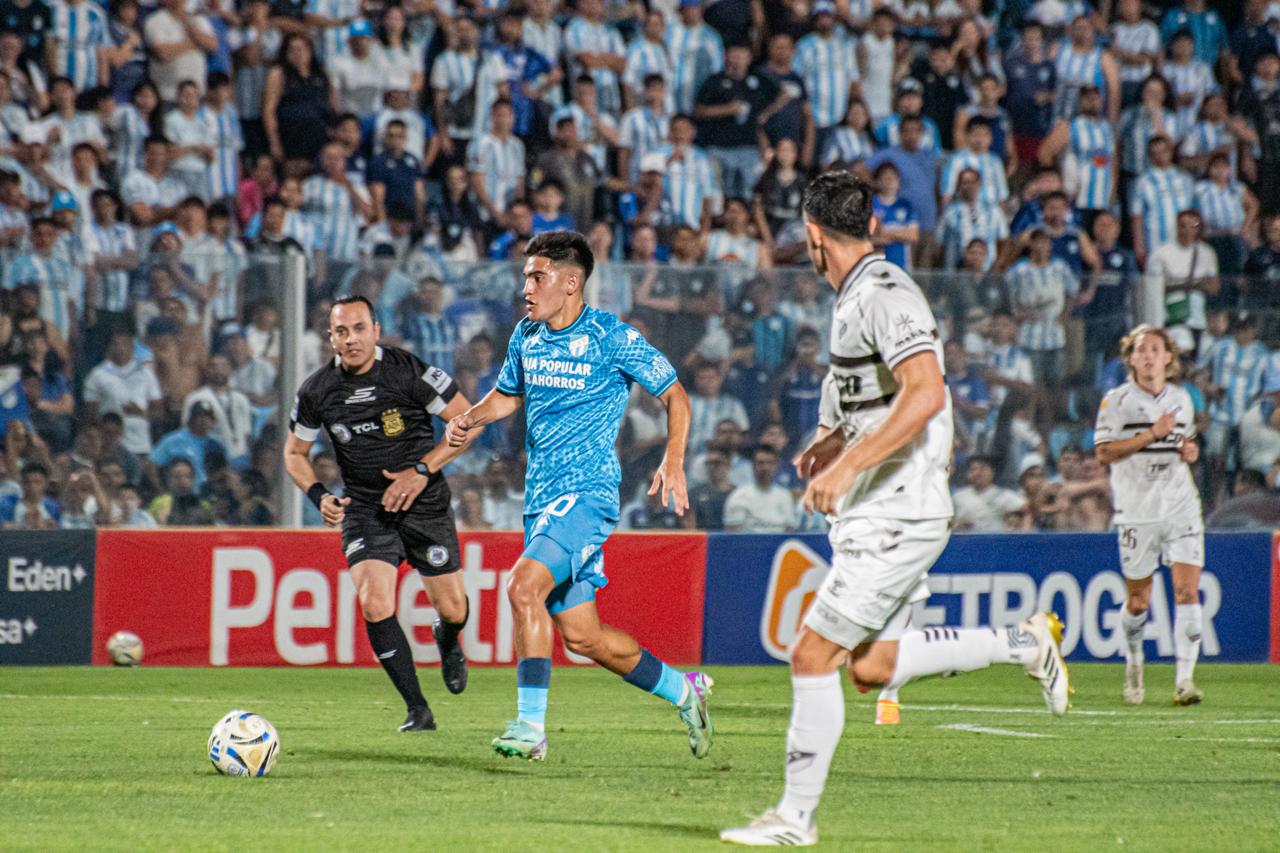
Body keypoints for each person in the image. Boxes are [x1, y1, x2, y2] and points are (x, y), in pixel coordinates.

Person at [720, 171, 1068, 847]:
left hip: (897, 511)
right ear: (869, 224)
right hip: (879, 508)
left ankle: (795, 818)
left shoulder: (885, 293)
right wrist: (828, 442)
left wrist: (850, 462)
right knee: (871, 666)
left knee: (811, 652)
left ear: (813, 236)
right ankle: (1023, 643)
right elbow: (872, 395)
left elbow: (926, 392)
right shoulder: (854, 299)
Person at [444, 231, 714, 763]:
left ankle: (529, 727)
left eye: (537, 276)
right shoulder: (526, 334)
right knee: (583, 638)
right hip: (540, 500)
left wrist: (674, 458)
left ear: (571, 283)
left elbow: (675, 394)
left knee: (523, 586)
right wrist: (468, 417)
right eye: (525, 276)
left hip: (587, 495)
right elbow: (506, 396)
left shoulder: (612, 337)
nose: (526, 287)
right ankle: (686, 692)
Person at [283, 295, 477, 732]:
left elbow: (466, 419)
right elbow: (294, 453)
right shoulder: (317, 391)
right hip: (366, 508)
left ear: (376, 329)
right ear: (330, 337)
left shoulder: (408, 371)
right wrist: (318, 495)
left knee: (454, 608)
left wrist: (421, 471)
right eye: (341, 332)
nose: (350, 339)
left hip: (424, 503)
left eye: (358, 329)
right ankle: (417, 709)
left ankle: (447, 638)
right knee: (373, 603)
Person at [1094, 325, 1206, 707]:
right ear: (1131, 359)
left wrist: (1189, 452)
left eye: (1154, 349)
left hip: (1179, 503)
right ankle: (1134, 660)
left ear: (1167, 358)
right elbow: (1104, 453)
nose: (1147, 356)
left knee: (1187, 591)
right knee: (1139, 601)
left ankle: (1185, 680)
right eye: (1140, 350)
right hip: (1137, 509)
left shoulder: (1182, 399)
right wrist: (1150, 434)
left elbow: (1183, 444)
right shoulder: (1116, 401)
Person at [723, 444, 798, 532]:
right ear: (753, 467)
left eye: (770, 463)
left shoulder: (785, 497)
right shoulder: (738, 496)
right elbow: (731, 534)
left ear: (776, 466)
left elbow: (789, 532)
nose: (765, 468)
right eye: (761, 463)